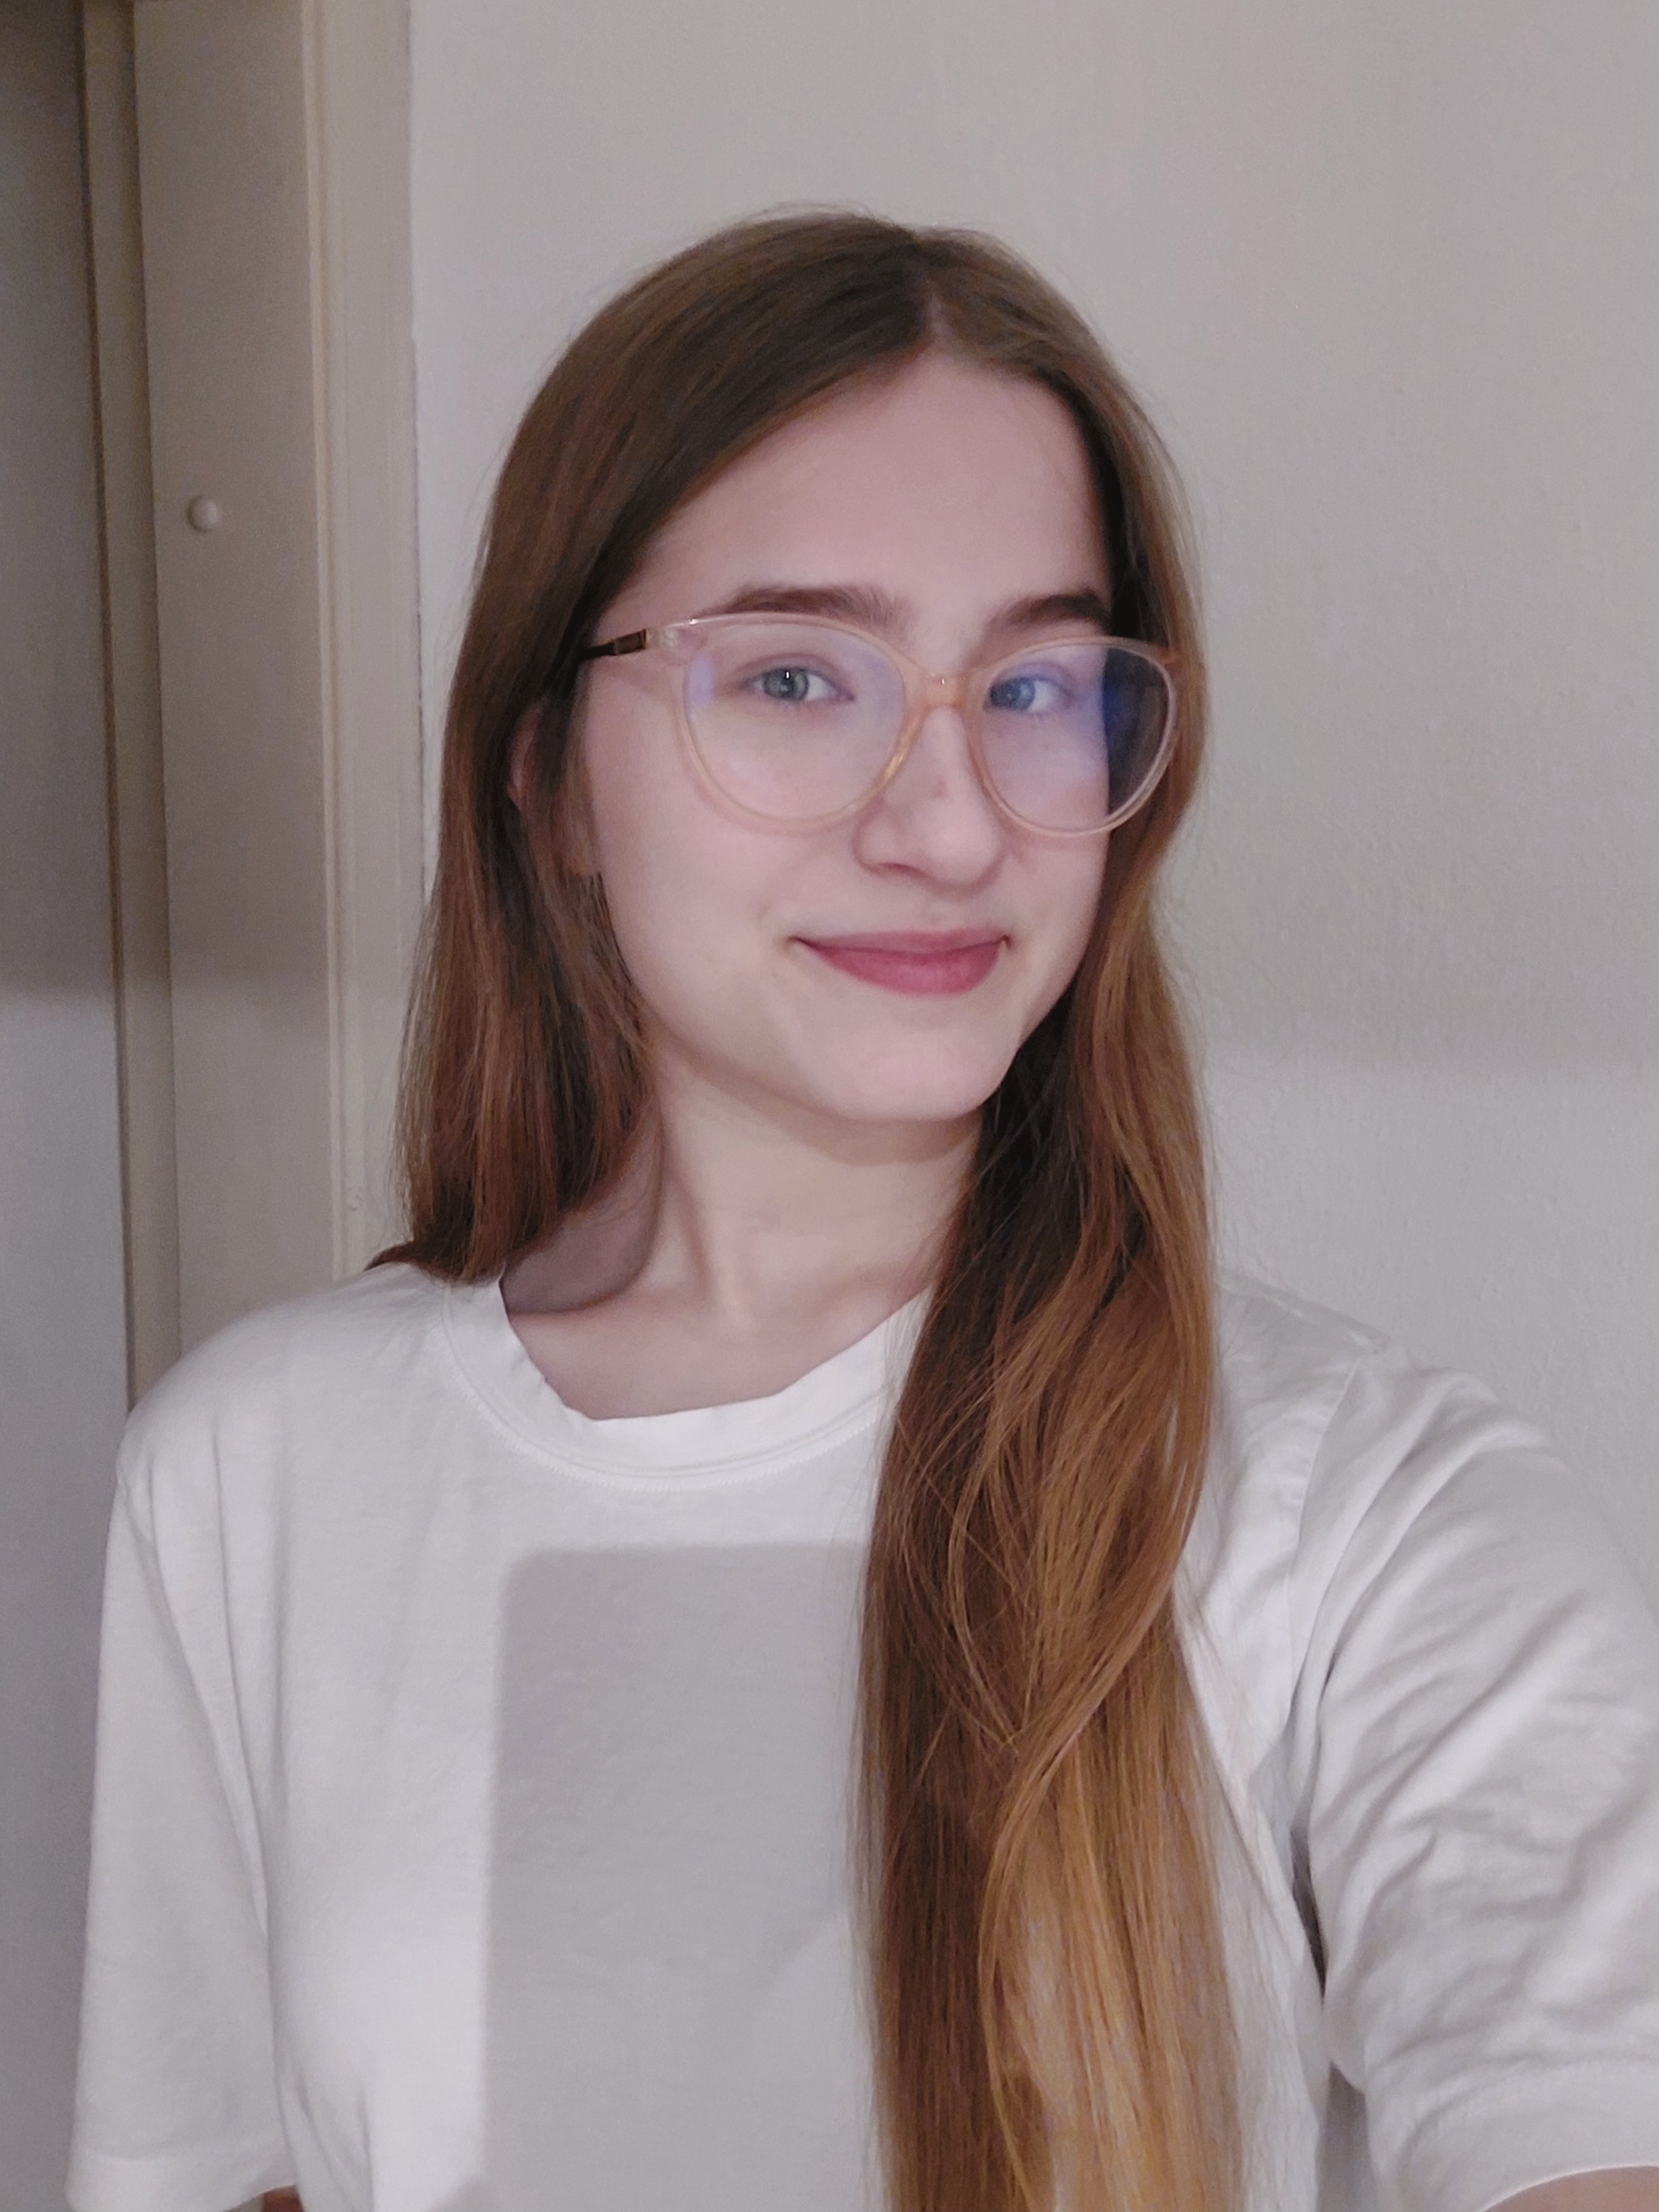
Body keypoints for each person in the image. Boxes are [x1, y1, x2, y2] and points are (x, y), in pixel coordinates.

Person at [68, 214, 1659, 2212]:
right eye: (800, 675)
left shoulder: (1373, 1519)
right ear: (550, 777)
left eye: (1036, 684)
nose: (951, 821)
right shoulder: (259, 1470)